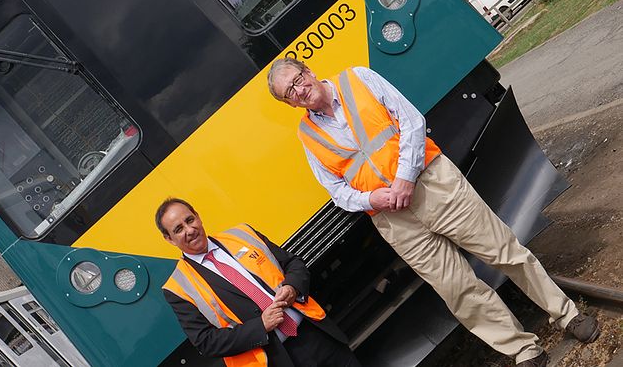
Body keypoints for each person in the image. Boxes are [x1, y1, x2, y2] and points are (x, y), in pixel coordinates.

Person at [266, 58, 599, 367]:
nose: (299, 90)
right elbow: (337, 191)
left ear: (308, 72)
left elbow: (411, 121)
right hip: (392, 218)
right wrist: (372, 200)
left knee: (504, 251)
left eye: (298, 80)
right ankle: (523, 350)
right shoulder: (307, 136)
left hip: (432, 183)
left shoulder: (357, 78)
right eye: (289, 92)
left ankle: (567, 315)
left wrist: (403, 180)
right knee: (457, 289)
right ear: (290, 103)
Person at [158, 197, 361, 367]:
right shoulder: (178, 288)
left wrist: (292, 286)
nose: (190, 230)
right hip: (274, 359)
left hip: (316, 335)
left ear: (198, 216)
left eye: (190, 220)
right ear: (169, 239)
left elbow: (293, 263)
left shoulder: (243, 235)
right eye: (178, 229)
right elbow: (206, 342)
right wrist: (260, 326)